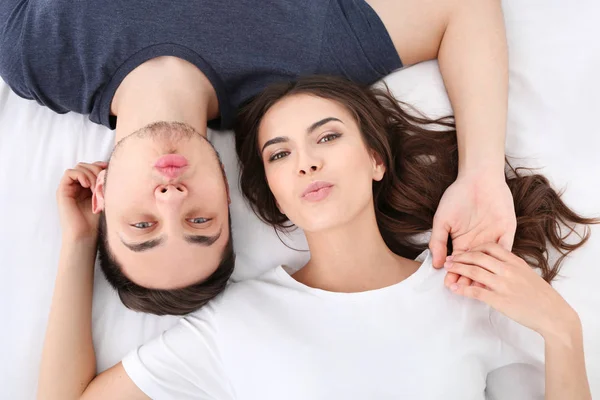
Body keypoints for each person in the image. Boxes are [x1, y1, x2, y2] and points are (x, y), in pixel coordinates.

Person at [38, 76, 596, 399]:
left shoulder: (470, 290)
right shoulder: (238, 323)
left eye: (326, 137)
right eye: (280, 153)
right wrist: (80, 241)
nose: (306, 163)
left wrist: (563, 332)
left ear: (375, 160)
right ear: (271, 195)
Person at [1, 0, 515, 314]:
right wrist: (482, 172)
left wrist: (74, 246)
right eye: (199, 220)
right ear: (227, 195)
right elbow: (461, 6)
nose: (171, 199)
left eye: (142, 225)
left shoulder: (34, 57)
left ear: (102, 192)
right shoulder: (300, 64)